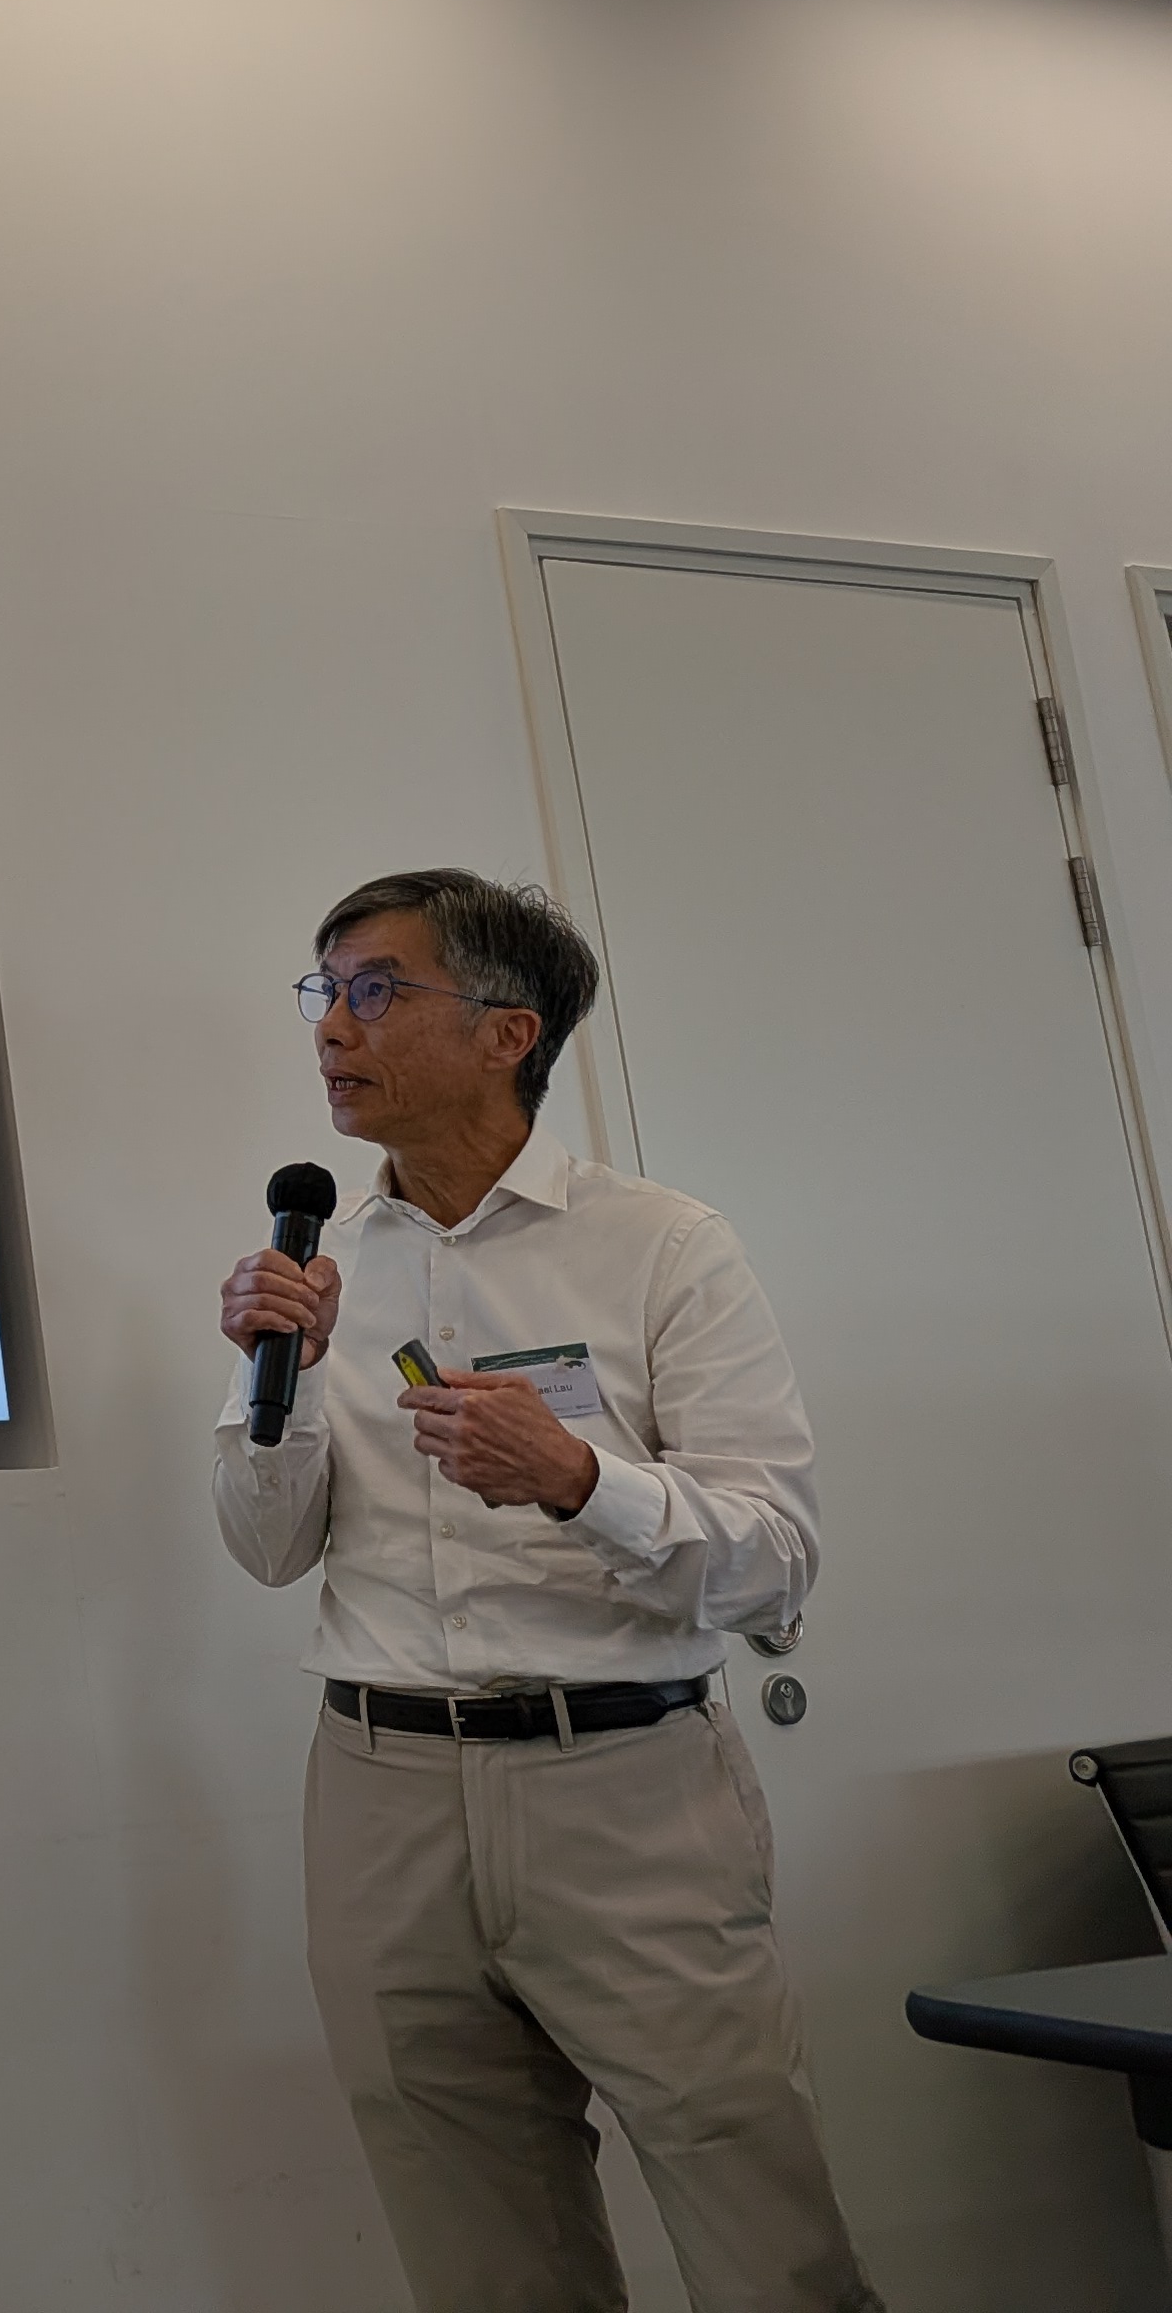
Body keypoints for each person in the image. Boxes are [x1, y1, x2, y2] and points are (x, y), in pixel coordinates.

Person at [214, 867, 879, 2313]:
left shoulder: (662, 1247)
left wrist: (581, 1480)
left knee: (765, 2241)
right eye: (324, 991)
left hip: (627, 1785)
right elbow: (268, 1549)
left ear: (506, 1033)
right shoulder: (320, 1270)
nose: (331, 1026)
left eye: (376, 989)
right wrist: (291, 1383)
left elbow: (776, 1554)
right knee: (482, 2263)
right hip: (381, 1792)